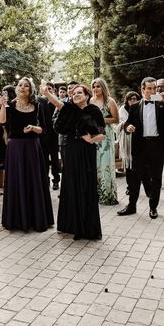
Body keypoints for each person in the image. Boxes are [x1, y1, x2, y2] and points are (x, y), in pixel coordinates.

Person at [41, 83, 105, 239]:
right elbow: (58, 103)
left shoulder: (94, 110)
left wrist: (90, 140)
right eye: (74, 93)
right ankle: (70, 225)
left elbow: (102, 134)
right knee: (71, 185)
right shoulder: (69, 108)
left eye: (79, 93)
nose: (76, 95)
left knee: (86, 185)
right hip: (71, 150)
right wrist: (47, 93)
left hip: (87, 151)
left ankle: (87, 228)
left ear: (87, 95)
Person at [117, 77, 164, 219]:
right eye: (150, 89)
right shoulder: (134, 107)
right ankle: (131, 206)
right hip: (139, 146)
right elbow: (127, 125)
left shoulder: (163, 105)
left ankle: (153, 207)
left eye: (155, 88)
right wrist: (128, 128)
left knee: (156, 178)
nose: (153, 91)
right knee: (135, 178)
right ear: (142, 90)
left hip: (157, 146)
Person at [0, 77, 54, 232]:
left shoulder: (37, 105)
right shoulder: (10, 105)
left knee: (33, 180)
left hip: (32, 147)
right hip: (15, 148)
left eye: (26, 86)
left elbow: (44, 128)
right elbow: (2, 122)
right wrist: (2, 106)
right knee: (17, 181)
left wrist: (33, 128)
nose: (22, 87)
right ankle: (17, 219)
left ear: (30, 89)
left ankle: (36, 218)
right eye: (20, 85)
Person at [90, 77, 119, 205]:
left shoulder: (110, 101)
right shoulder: (91, 101)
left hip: (106, 137)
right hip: (94, 136)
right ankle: (96, 194)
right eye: (94, 86)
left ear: (103, 87)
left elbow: (116, 119)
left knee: (105, 165)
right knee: (95, 165)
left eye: (98, 86)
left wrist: (101, 119)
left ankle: (108, 195)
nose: (96, 89)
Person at [38, 82, 61, 191]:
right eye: (46, 89)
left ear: (53, 90)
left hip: (54, 135)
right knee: (44, 159)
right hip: (43, 135)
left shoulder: (56, 101)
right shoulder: (40, 102)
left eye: (50, 89)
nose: (48, 90)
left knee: (55, 159)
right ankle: (45, 179)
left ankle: (56, 180)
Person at [117, 91, 140, 196]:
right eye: (130, 99)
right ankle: (129, 187)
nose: (132, 100)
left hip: (137, 138)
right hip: (126, 140)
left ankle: (138, 185)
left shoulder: (140, 108)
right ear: (126, 100)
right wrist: (124, 124)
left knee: (137, 164)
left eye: (134, 98)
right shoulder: (122, 109)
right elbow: (117, 124)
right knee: (128, 165)